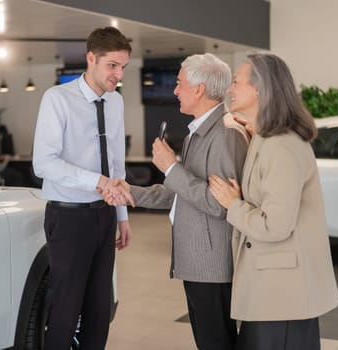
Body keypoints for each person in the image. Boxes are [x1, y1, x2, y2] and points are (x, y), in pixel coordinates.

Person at [104, 53, 249, 349]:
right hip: (198, 262)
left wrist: (171, 168)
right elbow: (181, 191)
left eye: (179, 83)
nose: (174, 90)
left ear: (199, 89)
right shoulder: (199, 133)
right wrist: (130, 191)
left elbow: (221, 205)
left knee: (216, 343)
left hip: (213, 266)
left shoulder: (224, 134)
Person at [208, 53, 338, 350]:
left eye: (237, 82)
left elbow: (275, 226)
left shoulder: (282, 146)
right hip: (274, 293)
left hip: (282, 297)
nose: (230, 89)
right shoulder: (268, 138)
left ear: (259, 89)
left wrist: (233, 204)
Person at [32, 27, 134, 350]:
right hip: (68, 217)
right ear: (91, 58)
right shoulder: (57, 99)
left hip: (104, 216)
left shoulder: (116, 102)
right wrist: (98, 182)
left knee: (99, 310)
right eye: (112, 66)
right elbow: (43, 164)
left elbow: (116, 164)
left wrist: (121, 215)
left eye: (123, 67)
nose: (118, 75)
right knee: (65, 308)